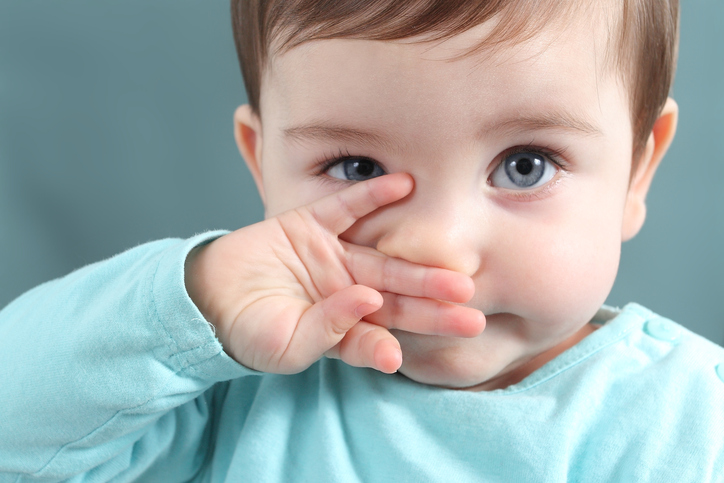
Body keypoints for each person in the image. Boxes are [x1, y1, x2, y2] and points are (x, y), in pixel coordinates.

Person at [1, 0, 722, 481]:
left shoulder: (696, 419)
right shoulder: (219, 401)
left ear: (637, 168)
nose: (438, 248)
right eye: (357, 169)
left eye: (524, 165)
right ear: (263, 166)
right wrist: (196, 303)